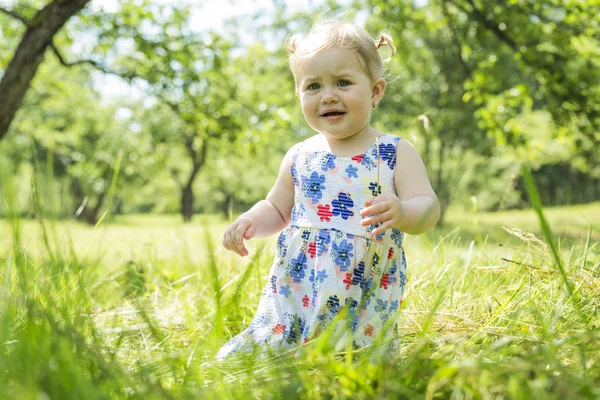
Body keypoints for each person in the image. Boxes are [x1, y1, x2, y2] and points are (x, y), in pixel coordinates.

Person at [217, 20, 440, 360]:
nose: (328, 95)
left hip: (362, 288)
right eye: (314, 86)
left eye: (343, 82)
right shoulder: (300, 155)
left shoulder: (393, 151)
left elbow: (428, 206)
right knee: (273, 353)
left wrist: (404, 212)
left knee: (354, 361)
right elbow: (277, 209)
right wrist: (250, 220)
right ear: (299, 95)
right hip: (298, 285)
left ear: (375, 91)